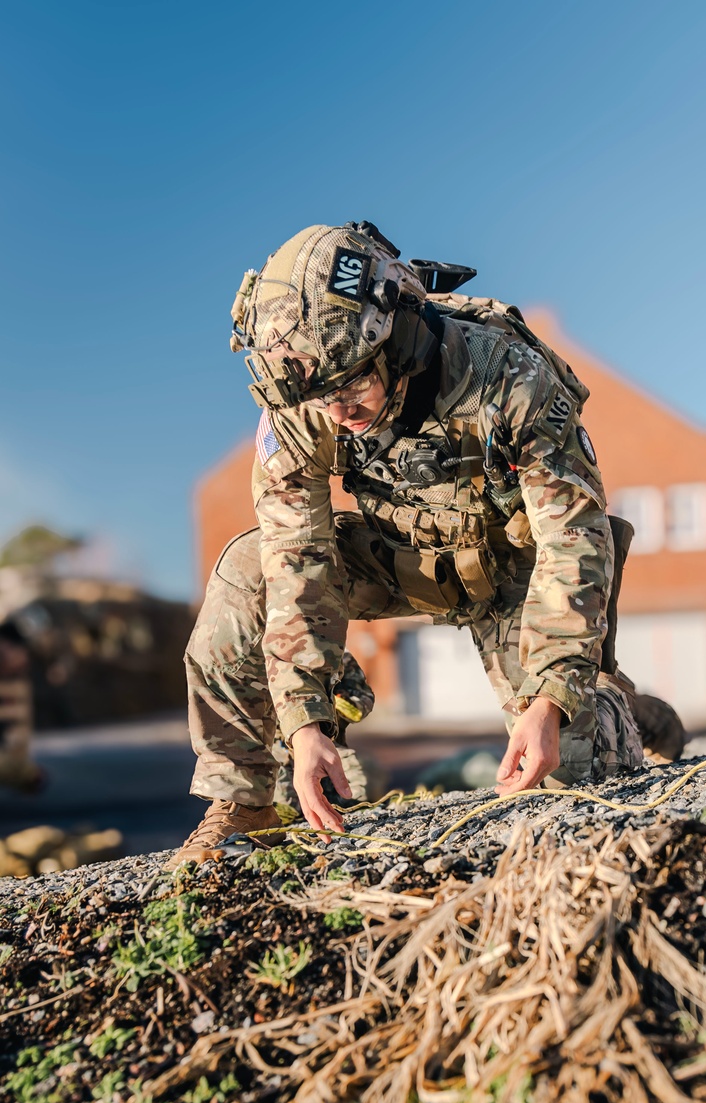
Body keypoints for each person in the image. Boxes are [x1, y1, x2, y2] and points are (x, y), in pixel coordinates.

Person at [170, 221, 678, 866]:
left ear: (397, 337)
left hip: (513, 569)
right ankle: (244, 799)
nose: (337, 411)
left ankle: (621, 706)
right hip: (399, 558)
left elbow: (573, 538)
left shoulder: (509, 379)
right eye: (317, 395)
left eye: (351, 383)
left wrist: (553, 693)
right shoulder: (304, 401)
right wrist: (301, 719)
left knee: (570, 782)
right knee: (247, 570)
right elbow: (296, 561)